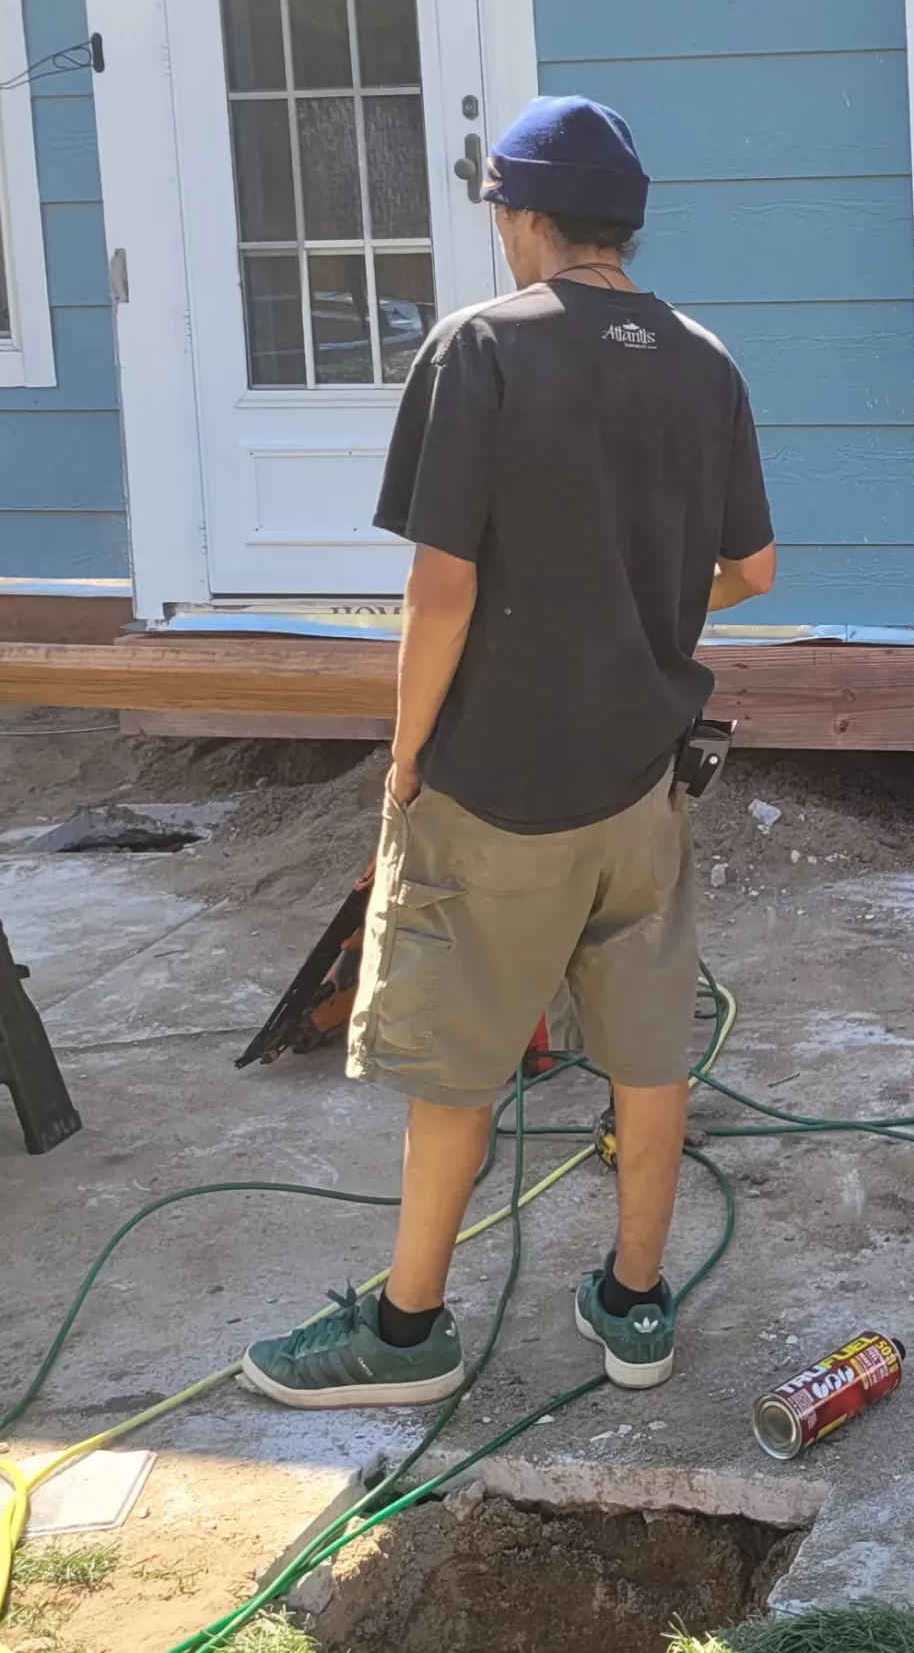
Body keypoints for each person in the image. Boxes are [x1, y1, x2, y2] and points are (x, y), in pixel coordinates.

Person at [240, 96, 775, 1408]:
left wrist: (404, 760)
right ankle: (636, 1309)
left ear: (524, 217)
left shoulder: (479, 351)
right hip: (644, 784)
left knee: (457, 1060)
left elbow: (439, 593)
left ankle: (408, 1334)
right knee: (649, 1056)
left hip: (496, 786)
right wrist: (640, 609)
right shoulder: (703, 361)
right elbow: (751, 570)